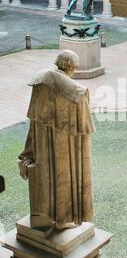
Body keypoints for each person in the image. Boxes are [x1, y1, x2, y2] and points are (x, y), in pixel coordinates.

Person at [18, 50, 94, 230]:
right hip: (65, 146)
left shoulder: (40, 80)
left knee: (47, 176)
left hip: (42, 141)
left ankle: (48, 217)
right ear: (72, 67)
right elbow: (83, 129)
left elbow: (34, 117)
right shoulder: (77, 91)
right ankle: (63, 219)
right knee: (64, 178)